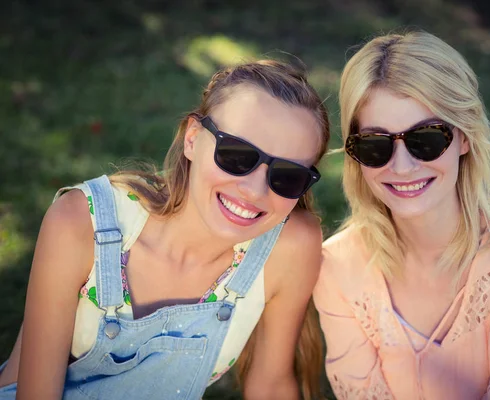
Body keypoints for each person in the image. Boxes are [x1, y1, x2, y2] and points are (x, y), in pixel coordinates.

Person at [0, 60, 329, 400]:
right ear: (192, 139)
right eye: (236, 154)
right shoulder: (82, 222)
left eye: (288, 176)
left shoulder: (289, 246)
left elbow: (271, 385)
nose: (255, 191)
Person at [313, 31, 490, 399]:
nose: (402, 167)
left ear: (465, 137)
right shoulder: (336, 267)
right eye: (375, 145)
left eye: (426, 138)